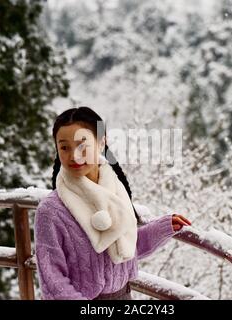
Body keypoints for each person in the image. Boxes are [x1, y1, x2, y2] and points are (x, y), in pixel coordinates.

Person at [34, 106, 192, 300]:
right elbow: (53, 280)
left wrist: (163, 228)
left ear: (101, 143)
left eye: (83, 146)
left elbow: (125, 248)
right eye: (64, 147)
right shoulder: (51, 210)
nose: (74, 155)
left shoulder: (116, 191)